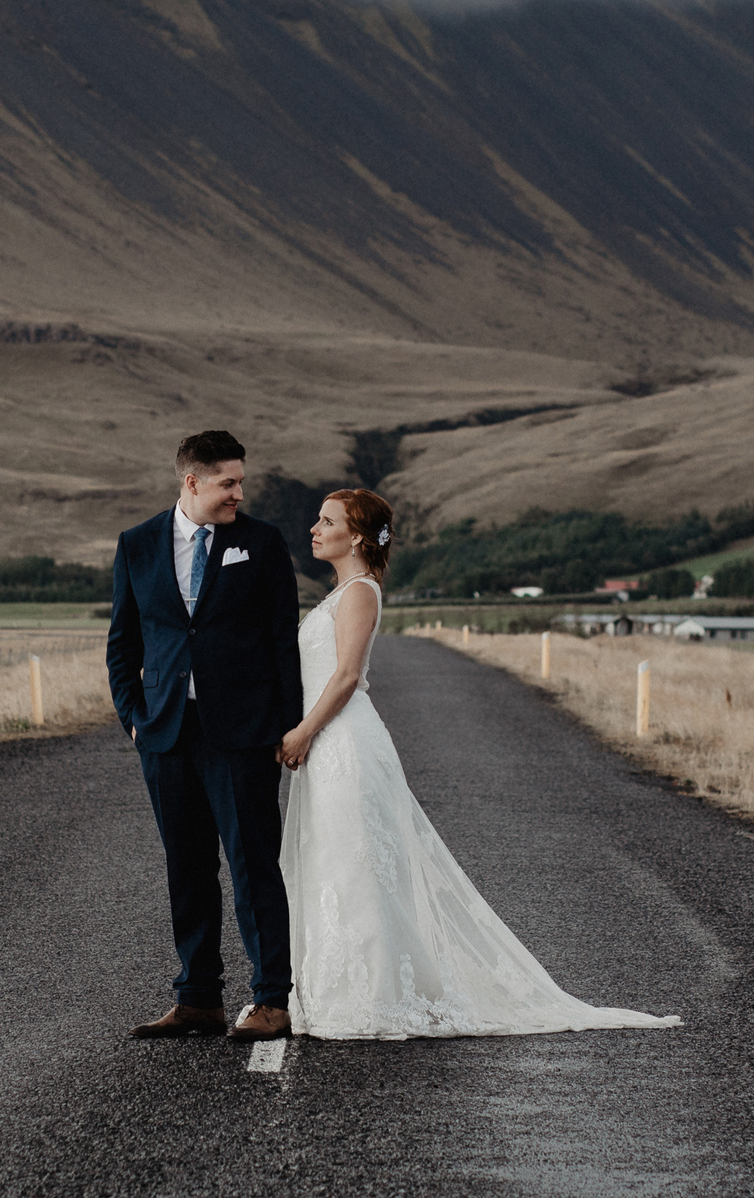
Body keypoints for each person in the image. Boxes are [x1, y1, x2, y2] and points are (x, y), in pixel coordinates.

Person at [278, 487, 682, 1039]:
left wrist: (302, 731)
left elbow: (346, 676)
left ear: (356, 536)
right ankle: (338, 987)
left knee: (358, 863)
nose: (314, 529)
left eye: (327, 521)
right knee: (338, 861)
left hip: (343, 742)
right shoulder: (343, 591)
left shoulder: (359, 594)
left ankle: (371, 995)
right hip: (330, 744)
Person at [107, 430, 304, 1042]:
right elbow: (124, 643)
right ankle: (197, 999)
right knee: (186, 866)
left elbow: (281, 643)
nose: (238, 494)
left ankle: (272, 997)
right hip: (166, 732)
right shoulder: (137, 544)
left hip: (243, 733)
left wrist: (288, 725)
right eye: (228, 483)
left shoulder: (262, 543)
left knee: (252, 864)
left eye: (241, 483)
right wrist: (134, 717)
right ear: (191, 482)